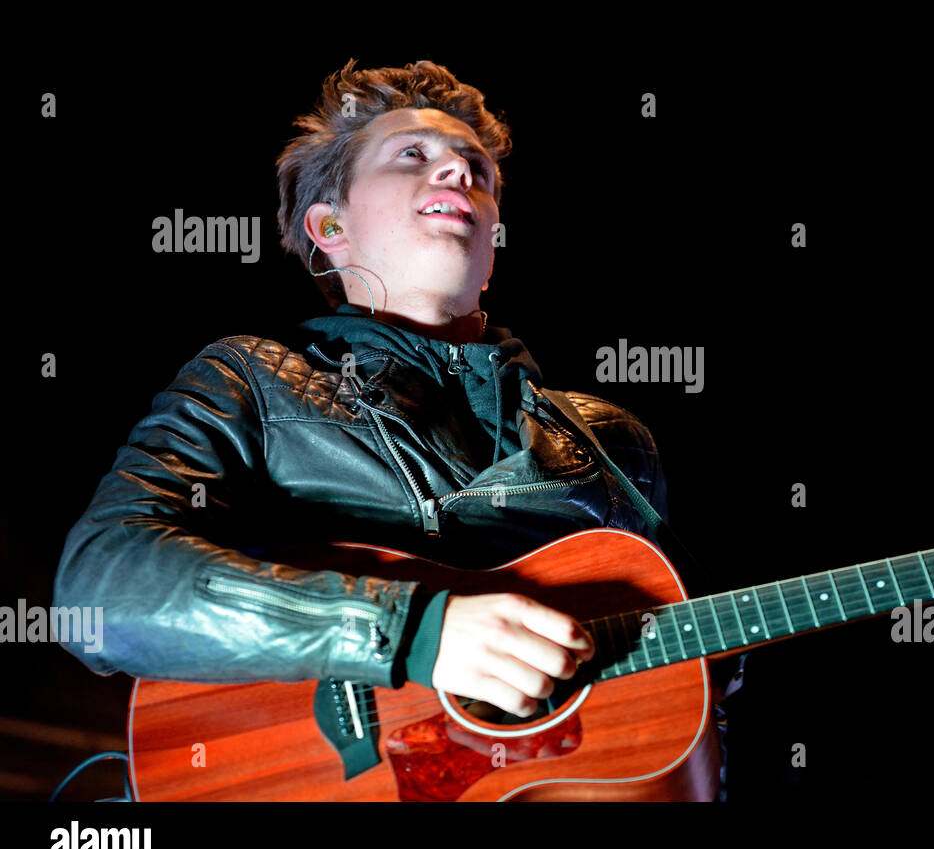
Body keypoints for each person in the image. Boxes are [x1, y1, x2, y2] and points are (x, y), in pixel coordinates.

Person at [53, 59, 739, 796]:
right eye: (413, 155)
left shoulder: (614, 442)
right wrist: (411, 632)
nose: (455, 172)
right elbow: (102, 591)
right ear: (332, 228)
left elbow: (685, 711)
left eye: (475, 169)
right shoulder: (249, 378)